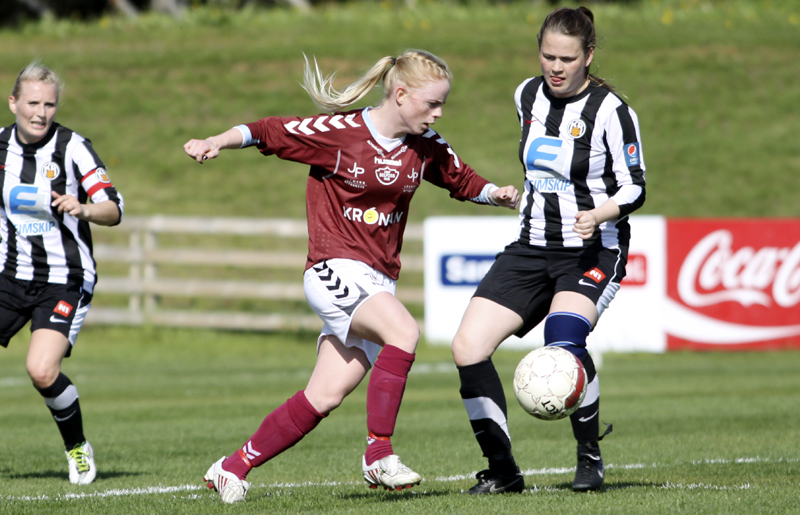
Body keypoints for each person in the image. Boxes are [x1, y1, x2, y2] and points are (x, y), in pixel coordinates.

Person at [184, 49, 519, 504]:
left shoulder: (425, 145)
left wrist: (495, 194)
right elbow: (268, 131)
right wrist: (216, 141)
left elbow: (460, 179)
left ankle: (232, 467)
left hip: (378, 281)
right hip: (332, 268)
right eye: (432, 103)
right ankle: (378, 454)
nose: (438, 113)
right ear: (401, 95)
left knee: (323, 396)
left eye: (442, 104)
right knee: (404, 331)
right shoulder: (340, 133)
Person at [451, 6, 646, 494]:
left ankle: (589, 456)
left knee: (563, 339)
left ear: (588, 56)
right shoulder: (526, 95)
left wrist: (599, 214)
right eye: (548, 56)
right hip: (531, 245)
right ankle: (503, 471)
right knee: (467, 347)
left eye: (567, 59)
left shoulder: (612, 111)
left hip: (591, 250)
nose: (555, 67)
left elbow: (635, 186)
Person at [0, 62, 124, 485]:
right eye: (33, 103)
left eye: (49, 105)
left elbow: (114, 208)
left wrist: (84, 208)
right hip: (8, 276)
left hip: (64, 278)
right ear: (13, 102)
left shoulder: (73, 148)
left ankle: (77, 447)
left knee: (41, 370)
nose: (41, 113)